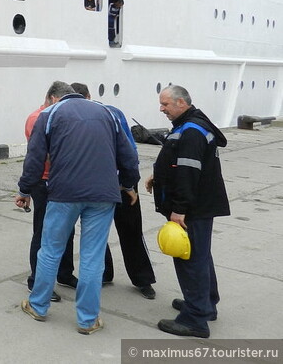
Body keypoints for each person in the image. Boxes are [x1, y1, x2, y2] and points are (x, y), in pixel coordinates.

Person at [15, 81, 139, 335]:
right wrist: (127, 184)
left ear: (55, 98)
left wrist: (25, 189)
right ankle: (88, 320)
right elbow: (128, 154)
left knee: (50, 250)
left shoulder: (49, 114)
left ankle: (38, 306)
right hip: (103, 195)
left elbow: (35, 158)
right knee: (92, 257)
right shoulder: (107, 112)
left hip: (64, 194)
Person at [146, 85, 229, 338]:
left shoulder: (191, 130)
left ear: (181, 103)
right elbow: (178, 163)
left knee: (189, 259)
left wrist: (179, 210)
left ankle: (194, 319)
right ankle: (205, 304)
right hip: (201, 205)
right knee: (200, 257)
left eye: (166, 104)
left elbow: (189, 172)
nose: (162, 109)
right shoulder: (191, 125)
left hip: (192, 209)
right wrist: (157, 176)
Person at [69, 82, 156, 299]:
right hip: (114, 181)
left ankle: (115, 274)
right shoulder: (113, 113)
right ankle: (140, 279)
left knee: (101, 230)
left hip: (105, 182)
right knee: (126, 230)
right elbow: (131, 150)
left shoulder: (80, 116)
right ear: (88, 95)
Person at [23, 87, 76, 304]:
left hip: (62, 181)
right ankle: (37, 280)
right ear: (53, 98)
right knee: (44, 232)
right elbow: (41, 154)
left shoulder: (58, 116)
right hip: (43, 182)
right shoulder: (38, 118)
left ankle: (64, 273)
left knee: (68, 229)